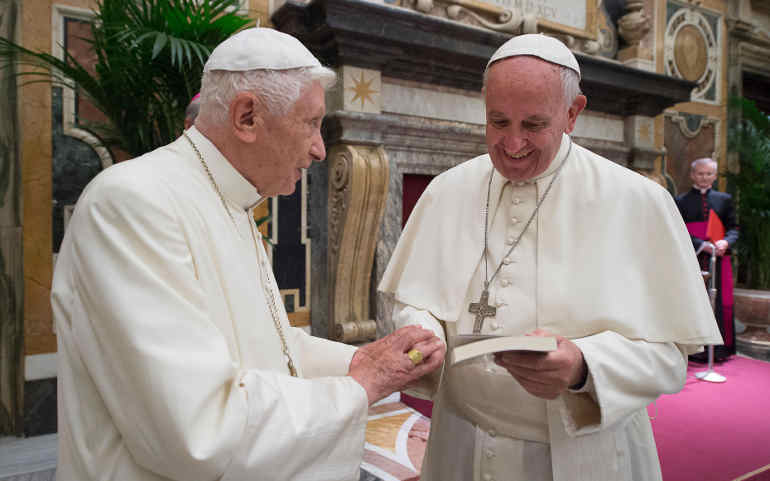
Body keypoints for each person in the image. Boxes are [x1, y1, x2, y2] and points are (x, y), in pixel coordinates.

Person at [51, 28, 444, 481]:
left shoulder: (232, 202)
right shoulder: (132, 202)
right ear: (247, 116)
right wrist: (361, 385)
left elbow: (265, 346)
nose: (319, 149)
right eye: (311, 122)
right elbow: (196, 430)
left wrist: (357, 362)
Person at [379, 34, 722, 481]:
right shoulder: (448, 189)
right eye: (498, 121)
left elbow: (672, 356)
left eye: (534, 125)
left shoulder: (637, 201)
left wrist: (583, 367)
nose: (513, 143)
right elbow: (411, 297)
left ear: (573, 113)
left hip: (579, 456)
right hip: (459, 443)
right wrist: (422, 331)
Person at [675, 157, 739, 362]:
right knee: (693, 301)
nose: (704, 178)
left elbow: (734, 228)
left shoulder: (724, 199)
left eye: (709, 174)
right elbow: (678, 229)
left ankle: (719, 351)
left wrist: (725, 243)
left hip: (719, 258)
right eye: (700, 173)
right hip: (692, 257)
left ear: (714, 175)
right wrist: (701, 245)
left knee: (719, 302)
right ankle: (694, 350)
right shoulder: (680, 201)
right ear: (692, 175)